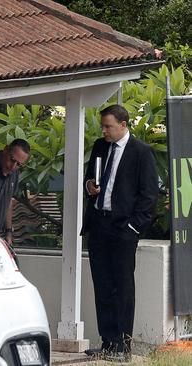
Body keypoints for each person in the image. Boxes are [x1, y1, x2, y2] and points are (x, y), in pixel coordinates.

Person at [82, 104, 158, 362]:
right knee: (102, 285)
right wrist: (89, 186)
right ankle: (107, 341)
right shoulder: (100, 147)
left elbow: (149, 196)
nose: (104, 131)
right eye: (103, 126)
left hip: (123, 227)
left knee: (122, 287)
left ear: (123, 125)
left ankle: (123, 346)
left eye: (108, 126)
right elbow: (89, 178)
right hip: (99, 223)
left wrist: (133, 228)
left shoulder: (141, 152)